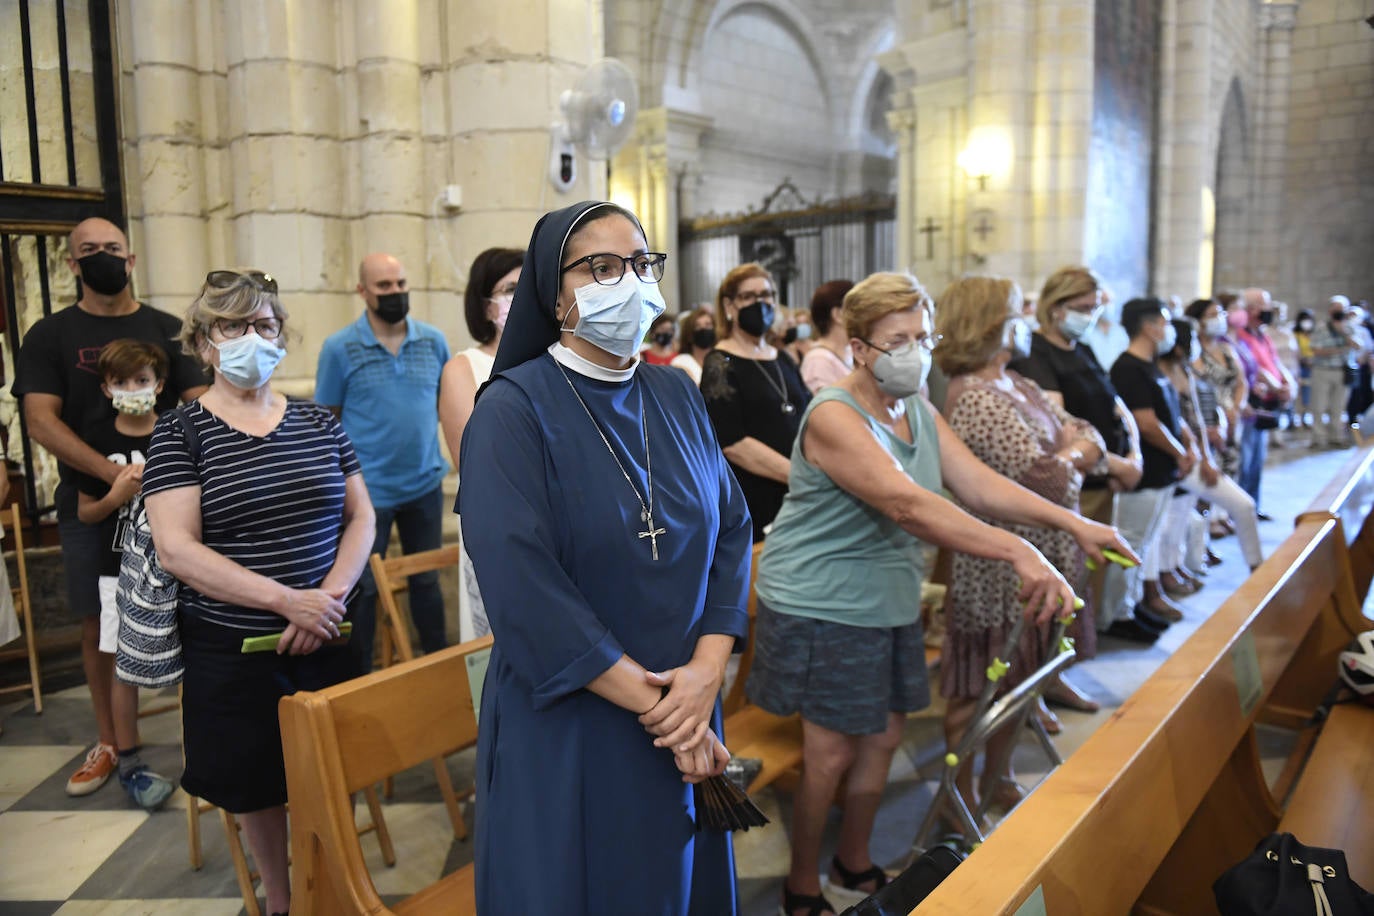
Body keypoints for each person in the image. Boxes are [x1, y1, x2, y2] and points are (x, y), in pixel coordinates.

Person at [746, 272, 1132, 916]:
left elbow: (974, 483)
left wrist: (1073, 522)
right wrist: (1019, 551)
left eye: (923, 336)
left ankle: (856, 860)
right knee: (831, 750)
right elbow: (908, 504)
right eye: (898, 339)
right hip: (823, 601)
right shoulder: (836, 415)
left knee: (885, 735)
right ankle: (802, 887)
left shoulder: (915, 405)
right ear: (861, 347)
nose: (916, 351)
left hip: (888, 596)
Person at [458, 201, 753, 915]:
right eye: (602, 267)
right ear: (552, 292)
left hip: (686, 700)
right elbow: (523, 588)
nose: (630, 281)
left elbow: (733, 532)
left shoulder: (676, 393)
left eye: (640, 264)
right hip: (578, 716)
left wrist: (708, 674)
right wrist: (664, 708)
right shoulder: (510, 411)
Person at [143, 269, 374, 916]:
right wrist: (285, 602)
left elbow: (362, 516)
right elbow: (177, 547)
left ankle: (333, 886)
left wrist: (325, 598)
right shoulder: (180, 431)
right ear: (203, 342)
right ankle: (282, 900)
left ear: (282, 337)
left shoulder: (316, 421)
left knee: (335, 766)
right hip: (238, 643)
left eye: (264, 326)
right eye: (233, 326)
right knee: (258, 783)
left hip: (330, 627)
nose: (252, 337)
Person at [12, 217, 207, 800]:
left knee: (192, 607)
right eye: (88, 251)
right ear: (72, 264)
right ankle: (109, 740)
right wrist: (112, 478)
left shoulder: (168, 330)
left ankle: (203, 733)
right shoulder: (50, 336)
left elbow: (200, 406)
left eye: (111, 249)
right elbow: (40, 418)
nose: (102, 257)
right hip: (91, 503)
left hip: (168, 504)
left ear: (132, 257)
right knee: (101, 625)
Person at [934, 275, 1108, 814]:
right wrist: (1074, 453)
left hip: (1051, 550)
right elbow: (1045, 479)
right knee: (981, 687)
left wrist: (1074, 450)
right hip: (999, 564)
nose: (1026, 320)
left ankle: (1000, 772)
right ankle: (958, 794)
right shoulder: (975, 398)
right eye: (1016, 311)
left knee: (1026, 678)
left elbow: (1088, 432)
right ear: (989, 323)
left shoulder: (1019, 384)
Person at [315, 253, 450, 673]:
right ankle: (363, 677)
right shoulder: (339, 348)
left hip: (425, 484)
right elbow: (328, 421)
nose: (395, 293)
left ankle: (440, 667)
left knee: (427, 581)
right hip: (367, 493)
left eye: (400, 284)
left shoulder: (433, 340)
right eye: (384, 287)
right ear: (362, 291)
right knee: (365, 588)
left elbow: (448, 406)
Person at [1010, 266, 1144, 662]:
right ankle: (1046, 670)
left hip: (1103, 476)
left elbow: (1115, 404)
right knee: (1061, 584)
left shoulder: (1081, 349)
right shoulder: (1036, 354)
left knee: (1086, 585)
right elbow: (1059, 432)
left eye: (1093, 307)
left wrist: (1133, 454)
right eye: (1081, 307)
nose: (1090, 315)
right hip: (1073, 487)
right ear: (1055, 307)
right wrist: (1116, 465)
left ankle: (1067, 663)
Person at [71, 340, 178, 809]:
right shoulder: (94, 436)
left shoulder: (176, 431)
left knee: (192, 653)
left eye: (142, 381)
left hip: (174, 566)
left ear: (159, 385)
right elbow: (87, 514)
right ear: (106, 387)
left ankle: (203, 752)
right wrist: (116, 495)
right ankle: (130, 761)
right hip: (117, 570)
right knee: (123, 666)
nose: (133, 389)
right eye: (122, 382)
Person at [438, 246, 524, 640]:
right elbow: (473, 468)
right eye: (510, 289)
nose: (522, 297)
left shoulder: (555, 361)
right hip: (503, 531)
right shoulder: (464, 369)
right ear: (486, 305)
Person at [1109, 298, 1201, 641]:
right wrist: (1179, 453)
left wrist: (1187, 444)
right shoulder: (1128, 368)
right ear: (1148, 326)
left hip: (1163, 470)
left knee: (1146, 542)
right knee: (1132, 541)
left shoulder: (1151, 365)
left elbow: (1171, 415)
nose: (1170, 329)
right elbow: (1146, 423)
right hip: (1145, 471)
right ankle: (1120, 612)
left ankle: (1133, 605)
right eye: (1165, 322)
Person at [701, 263, 811, 540]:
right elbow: (732, 442)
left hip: (801, 490)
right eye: (748, 297)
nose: (759, 303)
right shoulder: (720, 362)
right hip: (758, 492)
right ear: (729, 305)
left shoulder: (782, 357)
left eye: (766, 295)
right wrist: (801, 475)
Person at [1158, 318, 1263, 574]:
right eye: (1192, 339)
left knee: (1194, 513)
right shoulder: (1160, 375)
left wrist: (1207, 452)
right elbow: (1173, 422)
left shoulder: (1187, 372)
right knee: (1174, 520)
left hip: (1198, 453)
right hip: (1175, 457)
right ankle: (1173, 569)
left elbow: (1197, 417)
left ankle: (1255, 566)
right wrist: (1197, 450)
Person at [1231, 287, 1295, 518]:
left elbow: (1274, 362)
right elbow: (1253, 369)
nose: (1269, 310)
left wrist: (1285, 383)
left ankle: (1253, 507)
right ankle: (1241, 510)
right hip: (1251, 403)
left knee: (1258, 459)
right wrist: (1277, 387)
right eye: (1264, 305)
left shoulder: (1262, 335)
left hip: (1268, 404)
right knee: (1245, 460)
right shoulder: (1241, 336)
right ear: (1251, 309)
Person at [1307, 296, 1359, 449]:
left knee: (1339, 406)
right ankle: (1318, 437)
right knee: (1319, 406)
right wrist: (1340, 349)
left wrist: (1343, 332)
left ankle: (1336, 436)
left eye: (1340, 309)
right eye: (1335, 308)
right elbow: (1316, 350)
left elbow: (1358, 345)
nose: (1338, 311)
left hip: (1342, 371)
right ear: (1330, 310)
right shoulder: (1321, 327)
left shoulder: (1349, 327)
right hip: (1322, 370)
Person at [801, 279, 855, 393]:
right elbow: (828, 407)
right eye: (857, 308)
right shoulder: (818, 360)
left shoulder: (851, 352)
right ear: (838, 314)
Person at [670, 305, 716, 384]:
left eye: (708, 325)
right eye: (697, 326)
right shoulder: (680, 362)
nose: (703, 329)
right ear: (689, 333)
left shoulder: (722, 361)